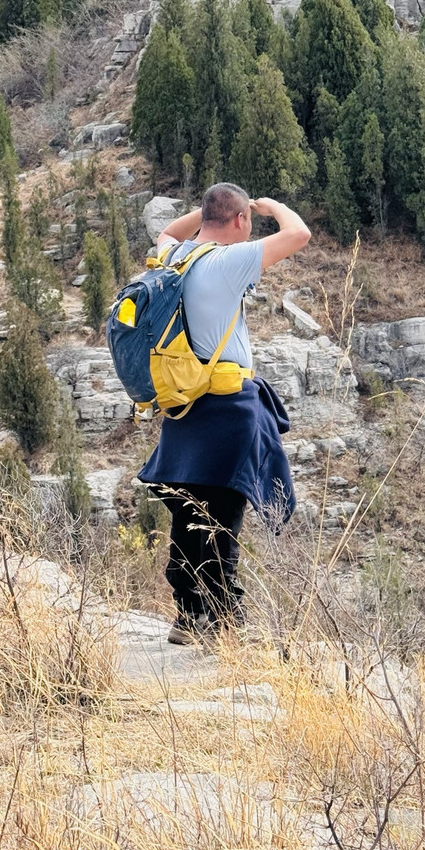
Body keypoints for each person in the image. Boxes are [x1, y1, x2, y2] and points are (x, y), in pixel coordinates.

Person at [136, 181, 310, 644]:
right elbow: (299, 235)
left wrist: (206, 213)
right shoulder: (228, 261)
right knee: (222, 518)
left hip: (182, 406)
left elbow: (168, 231)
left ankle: (189, 618)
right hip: (229, 410)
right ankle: (228, 625)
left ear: (205, 217)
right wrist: (272, 207)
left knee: (186, 512)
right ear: (241, 221)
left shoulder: (175, 256)